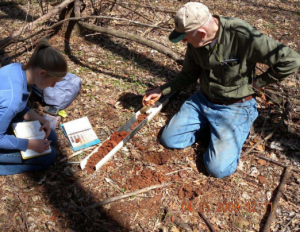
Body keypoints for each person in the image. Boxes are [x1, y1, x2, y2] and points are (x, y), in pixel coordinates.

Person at [143, 2, 300, 178]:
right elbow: (188, 75)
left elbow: (292, 60)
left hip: (235, 107)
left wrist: (260, 83)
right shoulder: (196, 41)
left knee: (218, 169)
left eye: (185, 37)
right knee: (170, 139)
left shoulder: (243, 36)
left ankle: (232, 131)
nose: (184, 41)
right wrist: (162, 90)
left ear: (202, 33)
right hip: (203, 100)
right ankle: (211, 129)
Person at [0, 38, 68, 175]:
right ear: (42, 73)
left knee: (51, 138)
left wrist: (41, 119)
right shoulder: (12, 99)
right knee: (48, 157)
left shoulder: (17, 69)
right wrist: (29, 145)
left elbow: (19, 107)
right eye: (54, 81)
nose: (53, 86)